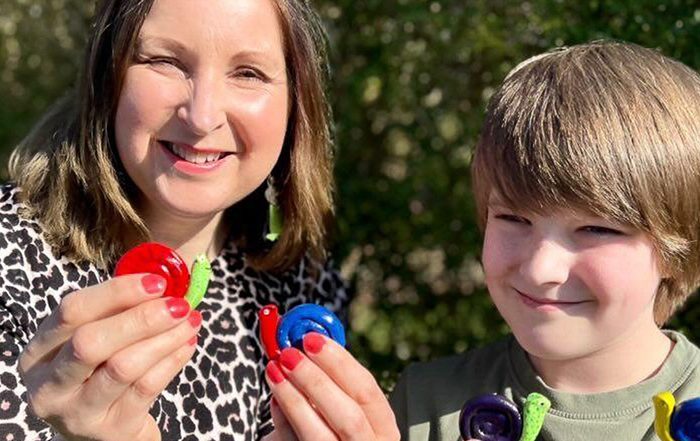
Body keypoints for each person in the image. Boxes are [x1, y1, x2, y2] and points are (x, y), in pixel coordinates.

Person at [0, 0, 348, 439]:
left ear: (297, 103)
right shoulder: (6, 257)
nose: (202, 117)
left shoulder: (305, 286)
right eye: (164, 61)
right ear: (107, 77)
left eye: (248, 73)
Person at [389, 41, 700, 440]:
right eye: (514, 218)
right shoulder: (425, 407)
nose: (540, 269)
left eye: (596, 228)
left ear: (680, 247)